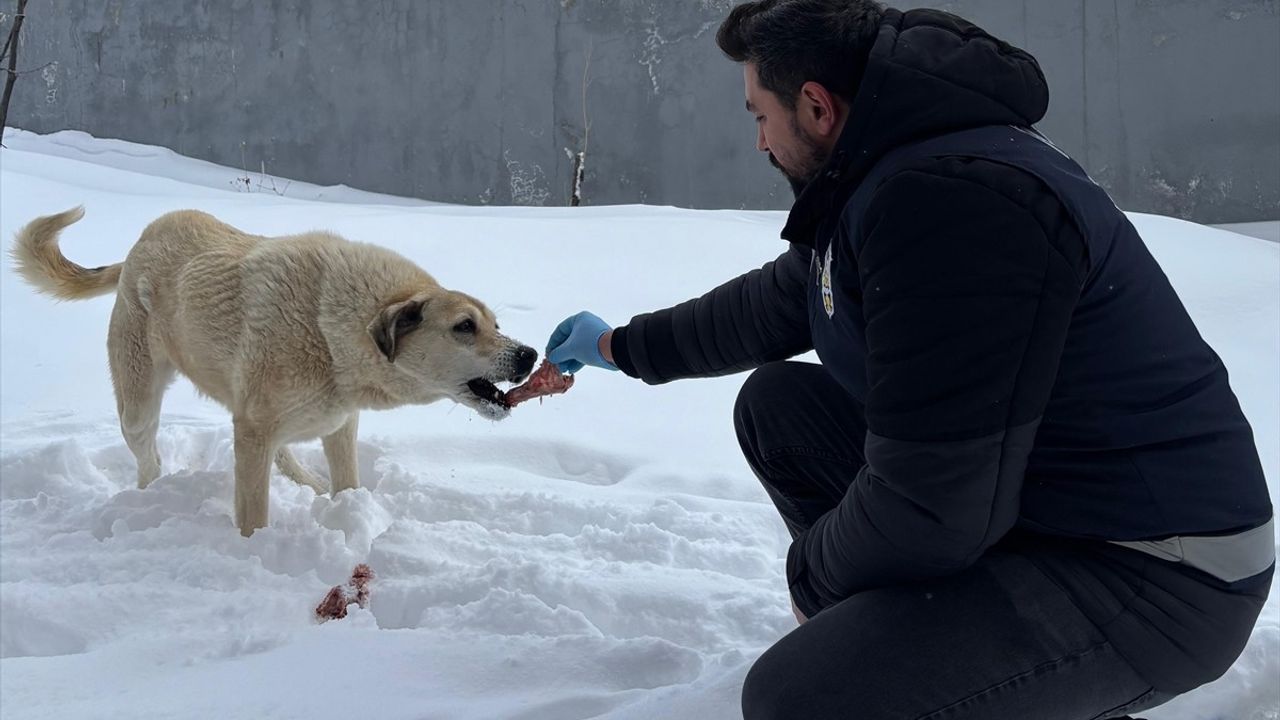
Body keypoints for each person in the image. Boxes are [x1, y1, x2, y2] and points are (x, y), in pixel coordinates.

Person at [544, 1, 1275, 718]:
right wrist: (618, 346)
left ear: (817, 107)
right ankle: (913, 640)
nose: (761, 142)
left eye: (760, 116)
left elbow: (935, 503)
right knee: (780, 408)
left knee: (800, 700)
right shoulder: (890, 166)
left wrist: (813, 579)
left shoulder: (952, 203)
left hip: (1155, 570)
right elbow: (780, 302)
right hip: (1043, 502)